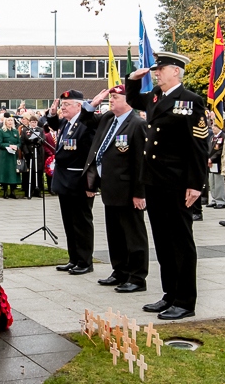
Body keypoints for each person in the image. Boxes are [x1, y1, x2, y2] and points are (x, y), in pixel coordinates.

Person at [126, 51, 208, 320]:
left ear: (176, 71)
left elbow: (198, 146)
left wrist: (196, 184)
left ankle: (185, 301)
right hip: (155, 180)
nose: (156, 73)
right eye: (155, 69)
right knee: (162, 241)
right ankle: (169, 294)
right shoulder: (155, 98)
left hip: (177, 183)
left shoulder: (191, 101)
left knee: (181, 242)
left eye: (161, 69)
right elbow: (133, 99)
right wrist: (132, 79)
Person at [80, 85, 149, 293]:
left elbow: (140, 162)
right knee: (115, 234)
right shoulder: (109, 119)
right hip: (110, 187)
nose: (111, 101)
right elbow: (86, 119)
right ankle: (120, 270)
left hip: (128, 190)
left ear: (128, 101)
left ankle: (137, 277)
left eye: (116, 97)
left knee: (133, 235)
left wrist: (139, 193)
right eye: (111, 98)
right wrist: (94, 102)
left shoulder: (137, 124)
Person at [47, 90, 96, 275]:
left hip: (79, 182)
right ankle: (74, 258)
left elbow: (92, 157)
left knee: (81, 223)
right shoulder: (66, 124)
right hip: (64, 181)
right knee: (69, 223)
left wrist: (91, 185)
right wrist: (52, 112)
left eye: (67, 105)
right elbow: (51, 123)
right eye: (62, 104)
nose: (63, 108)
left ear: (79, 106)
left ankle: (85, 261)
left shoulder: (86, 125)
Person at [21, 115, 45, 198]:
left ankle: (37, 190)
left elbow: (43, 139)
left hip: (37, 153)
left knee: (38, 171)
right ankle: (28, 190)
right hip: (29, 152)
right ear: (29, 122)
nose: (33, 124)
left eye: (35, 122)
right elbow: (23, 142)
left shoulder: (40, 130)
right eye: (32, 122)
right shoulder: (25, 130)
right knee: (29, 172)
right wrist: (26, 152)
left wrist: (38, 142)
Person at [0, 117, 21, 199]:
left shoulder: (15, 131)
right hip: (5, 155)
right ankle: (5, 191)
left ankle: (13, 191)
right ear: (5, 122)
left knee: (13, 173)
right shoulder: (2, 131)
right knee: (5, 172)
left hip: (13, 155)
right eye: (8, 121)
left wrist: (16, 146)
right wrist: (8, 145)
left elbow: (19, 142)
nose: (10, 122)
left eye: (11, 121)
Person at [206, 124, 225, 209]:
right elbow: (209, 149)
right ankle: (214, 199)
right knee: (212, 182)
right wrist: (208, 159)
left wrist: (212, 159)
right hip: (211, 162)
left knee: (219, 183)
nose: (213, 128)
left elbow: (221, 150)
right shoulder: (212, 137)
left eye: (215, 127)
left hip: (218, 162)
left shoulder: (222, 137)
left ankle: (220, 201)